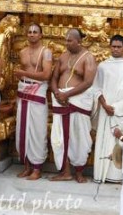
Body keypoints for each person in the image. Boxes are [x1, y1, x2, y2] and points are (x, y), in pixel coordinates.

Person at [50, 28, 97, 183]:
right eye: (66, 40)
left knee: (79, 138)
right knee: (59, 138)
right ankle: (65, 172)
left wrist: (67, 94)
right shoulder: (63, 56)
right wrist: (57, 92)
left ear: (79, 41)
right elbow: (54, 77)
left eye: (70, 40)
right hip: (61, 101)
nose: (66, 43)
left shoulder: (88, 57)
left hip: (77, 102)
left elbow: (88, 82)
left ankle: (79, 172)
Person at [93, 35, 123, 184]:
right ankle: (101, 174)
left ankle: (118, 176)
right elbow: (97, 88)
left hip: (122, 113)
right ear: (110, 47)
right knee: (105, 140)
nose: (116, 49)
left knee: (120, 142)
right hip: (106, 111)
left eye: (119, 47)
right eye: (113, 46)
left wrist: (116, 108)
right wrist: (105, 105)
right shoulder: (103, 66)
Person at [14, 24, 53, 180]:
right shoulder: (22, 52)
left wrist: (23, 73)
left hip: (38, 91)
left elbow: (46, 75)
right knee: (22, 129)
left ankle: (37, 168)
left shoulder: (46, 52)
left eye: (35, 32)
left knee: (37, 130)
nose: (31, 34)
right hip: (23, 91)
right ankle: (27, 166)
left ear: (41, 35)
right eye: (29, 32)